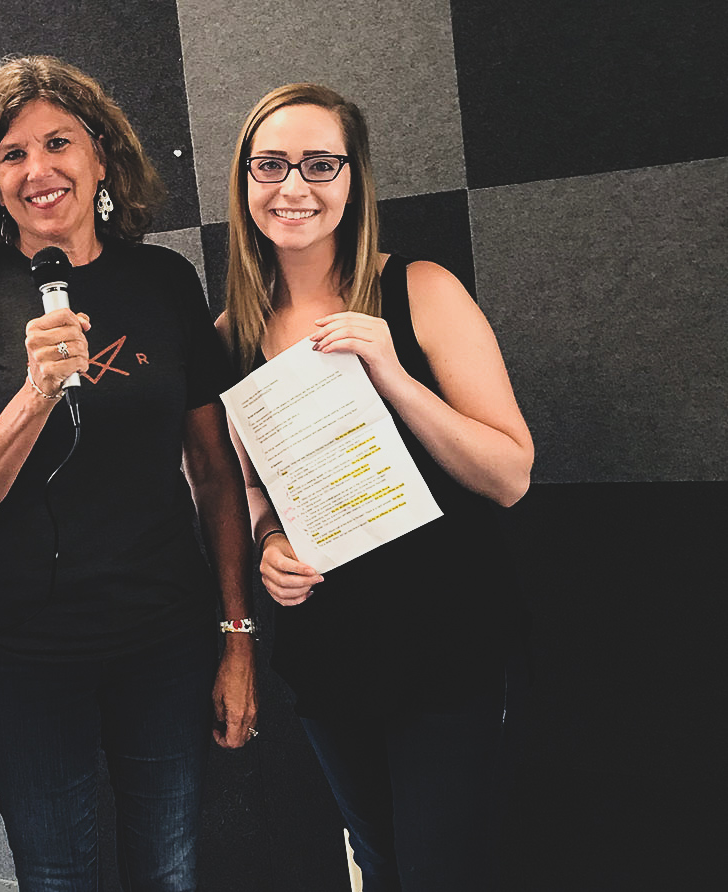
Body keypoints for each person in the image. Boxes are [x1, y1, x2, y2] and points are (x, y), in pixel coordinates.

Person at [0, 55, 257, 891]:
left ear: (100, 156)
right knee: (56, 874)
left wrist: (237, 636)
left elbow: (216, 475)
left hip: (163, 636)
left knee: (167, 870)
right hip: (20, 652)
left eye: (58, 142)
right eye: (11, 154)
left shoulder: (164, 281)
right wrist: (35, 393)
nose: (38, 168)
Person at [217, 83, 534, 890]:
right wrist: (268, 541)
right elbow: (247, 488)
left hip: (447, 638)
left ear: (353, 177)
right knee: (381, 861)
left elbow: (510, 475)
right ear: (245, 180)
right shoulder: (228, 338)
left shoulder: (419, 289)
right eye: (270, 165)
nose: (293, 187)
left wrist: (392, 372)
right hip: (330, 648)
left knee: (442, 870)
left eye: (319, 164)